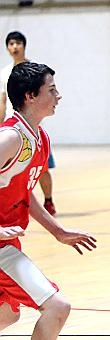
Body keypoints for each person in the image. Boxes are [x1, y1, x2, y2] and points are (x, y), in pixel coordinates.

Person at [0, 62, 97, 340]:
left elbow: (22, 191)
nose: (59, 95)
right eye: (52, 89)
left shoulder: (39, 137)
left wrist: (57, 230)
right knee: (57, 307)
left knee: (7, 313)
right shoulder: (11, 137)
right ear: (30, 96)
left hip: (9, 242)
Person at [1, 31, 57, 216]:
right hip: (16, 128)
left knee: (39, 170)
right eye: (10, 43)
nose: (14, 47)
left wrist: (58, 231)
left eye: (18, 43)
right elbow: (2, 101)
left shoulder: (35, 71)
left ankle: (48, 200)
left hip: (31, 128)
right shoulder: (5, 73)